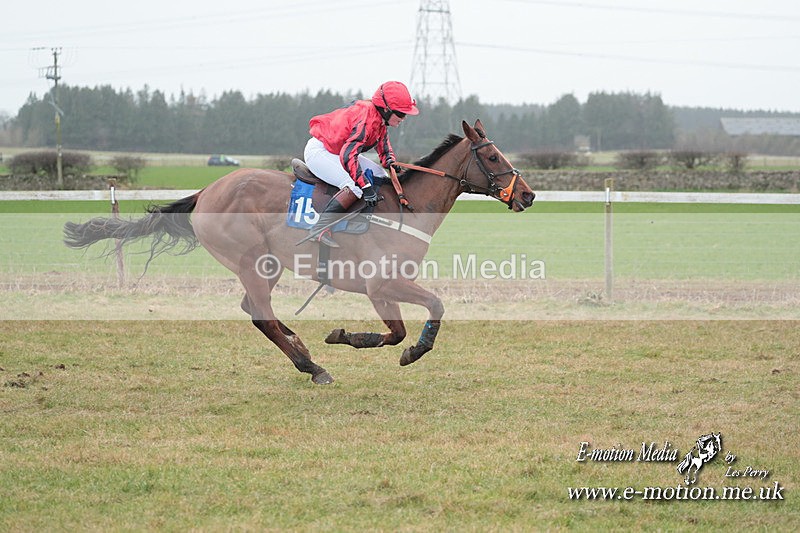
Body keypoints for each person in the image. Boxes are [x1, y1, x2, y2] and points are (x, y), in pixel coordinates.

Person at [304, 80, 419, 247]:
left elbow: (383, 144)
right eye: (401, 113)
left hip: (337, 150)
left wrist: (390, 161)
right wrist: (365, 186)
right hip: (321, 152)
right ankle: (319, 229)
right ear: (386, 109)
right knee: (354, 186)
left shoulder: (379, 118)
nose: (404, 118)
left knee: (380, 174)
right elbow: (348, 156)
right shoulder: (366, 118)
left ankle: (371, 220)